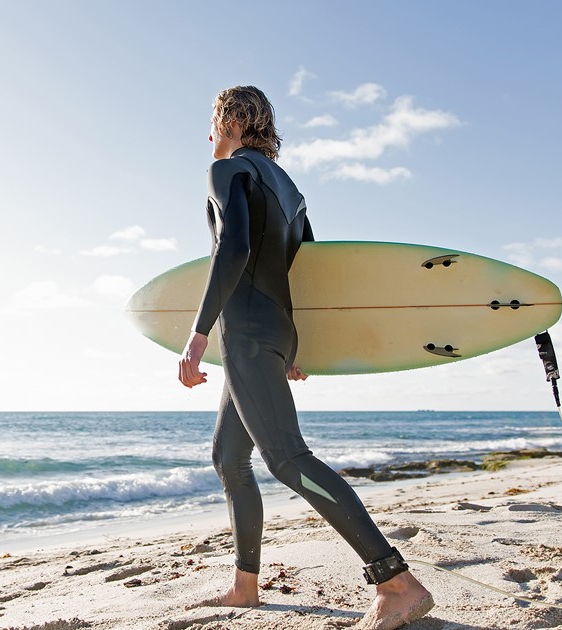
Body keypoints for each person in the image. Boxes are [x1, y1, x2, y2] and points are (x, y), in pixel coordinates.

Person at [178, 86, 434, 630]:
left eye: (213, 123)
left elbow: (234, 248)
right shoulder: (290, 189)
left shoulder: (225, 170)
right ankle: (245, 586)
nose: (209, 136)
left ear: (232, 120)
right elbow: (308, 271)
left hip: (245, 328)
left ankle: (395, 582)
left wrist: (199, 334)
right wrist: (297, 346)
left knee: (287, 458)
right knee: (229, 456)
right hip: (273, 329)